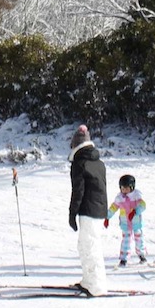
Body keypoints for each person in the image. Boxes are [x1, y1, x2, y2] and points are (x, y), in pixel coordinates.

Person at [67, 124, 108, 296]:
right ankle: (89, 281)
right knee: (87, 245)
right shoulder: (99, 163)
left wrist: (72, 213)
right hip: (98, 210)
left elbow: (78, 191)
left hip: (88, 210)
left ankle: (97, 286)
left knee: (90, 247)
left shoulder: (80, 163)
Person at [105, 174, 147, 267]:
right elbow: (113, 207)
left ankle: (141, 254)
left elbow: (143, 205)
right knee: (126, 241)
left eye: (126, 188)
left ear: (132, 187)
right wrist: (107, 217)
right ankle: (124, 258)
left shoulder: (136, 196)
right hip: (125, 223)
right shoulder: (119, 198)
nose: (124, 190)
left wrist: (136, 211)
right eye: (122, 188)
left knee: (139, 239)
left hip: (136, 223)